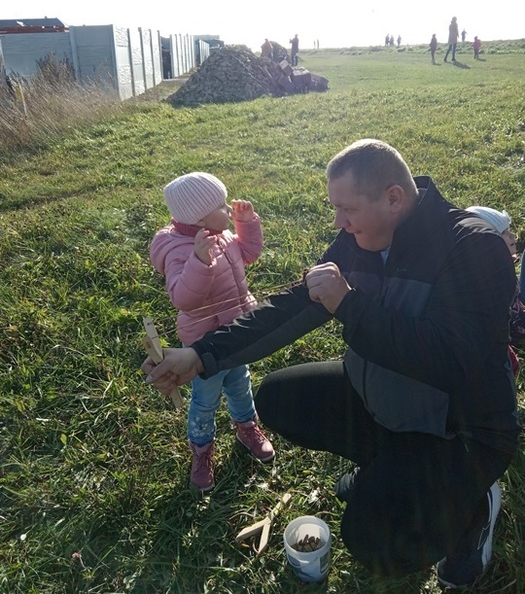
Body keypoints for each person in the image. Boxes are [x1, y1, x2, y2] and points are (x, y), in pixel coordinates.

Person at [142, 140, 518, 588]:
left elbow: (455, 360)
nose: (338, 222)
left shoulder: (473, 247)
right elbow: (295, 303)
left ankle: (472, 510)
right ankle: (387, 466)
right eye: (335, 208)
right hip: (384, 398)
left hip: (457, 430)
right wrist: (201, 355)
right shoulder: (360, 239)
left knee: (374, 543)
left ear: (393, 198)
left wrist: (351, 306)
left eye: (346, 209)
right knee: (278, 398)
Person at [148, 172, 274, 491]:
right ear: (199, 218)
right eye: (221, 205)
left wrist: (246, 224)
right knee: (206, 399)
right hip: (203, 343)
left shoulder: (223, 234)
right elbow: (182, 298)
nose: (228, 209)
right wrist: (199, 262)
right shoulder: (180, 250)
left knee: (240, 384)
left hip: (236, 332)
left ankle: (246, 426)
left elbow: (249, 254)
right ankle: (202, 449)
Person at [466, 206, 524, 362]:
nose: (512, 236)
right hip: (515, 327)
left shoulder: (491, 267)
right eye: (504, 232)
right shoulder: (493, 277)